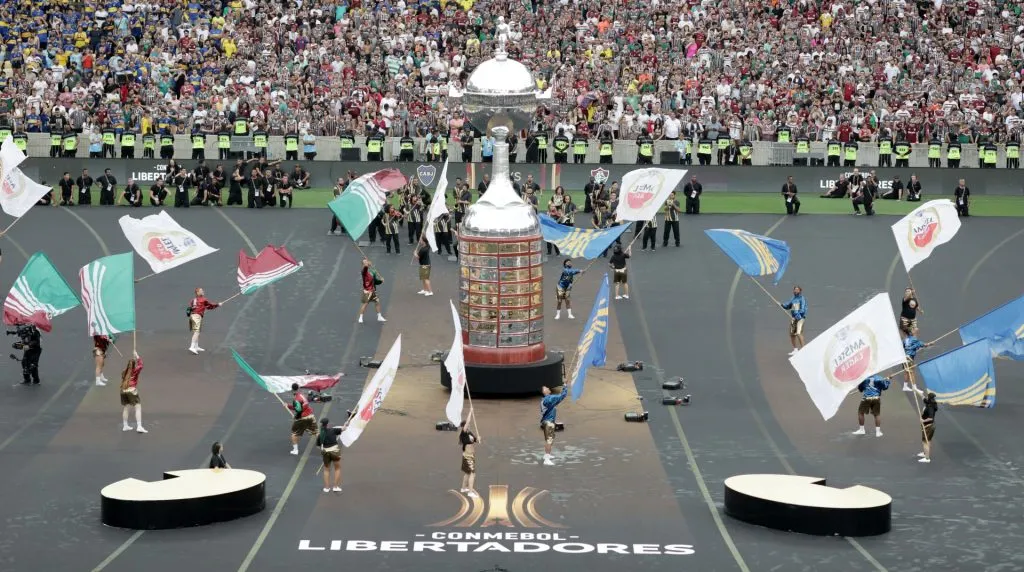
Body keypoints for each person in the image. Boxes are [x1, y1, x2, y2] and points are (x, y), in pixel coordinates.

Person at [540, 384, 568, 466]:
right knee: (549, 440)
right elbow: (562, 396)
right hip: (549, 422)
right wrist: (565, 387)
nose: (548, 388)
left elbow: (558, 399)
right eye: (545, 388)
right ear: (543, 392)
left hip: (547, 422)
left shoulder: (545, 400)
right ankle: (546, 459)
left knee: (550, 439)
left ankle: (547, 455)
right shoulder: (549, 399)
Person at [120, 352, 147, 433]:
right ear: (134, 365)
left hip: (123, 391)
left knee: (126, 408)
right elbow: (141, 365)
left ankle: (125, 426)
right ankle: (139, 426)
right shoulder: (135, 371)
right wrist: (137, 356)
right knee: (138, 407)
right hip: (131, 390)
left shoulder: (124, 372)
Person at [187, 288, 219, 354]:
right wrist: (218, 305)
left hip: (192, 316)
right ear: (198, 292)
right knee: (197, 332)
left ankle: (196, 346)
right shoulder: (203, 299)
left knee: (197, 331)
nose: (203, 291)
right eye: (201, 291)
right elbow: (210, 306)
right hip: (197, 316)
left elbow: (191, 307)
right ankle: (192, 347)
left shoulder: (193, 300)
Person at [316, 417, 345, 492]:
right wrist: (345, 425)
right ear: (328, 424)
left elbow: (318, 446)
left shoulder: (320, 435)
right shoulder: (333, 430)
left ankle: (326, 488)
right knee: (337, 468)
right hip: (335, 452)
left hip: (326, 453)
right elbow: (344, 429)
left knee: (326, 470)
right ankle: (335, 487)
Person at [290, 382, 317, 455]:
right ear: (298, 388)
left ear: (292, 389)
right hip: (310, 416)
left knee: (294, 434)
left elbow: (298, 410)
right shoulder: (302, 396)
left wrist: (296, 416)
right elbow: (303, 407)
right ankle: (325, 446)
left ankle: (295, 450)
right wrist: (289, 406)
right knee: (316, 433)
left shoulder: (296, 399)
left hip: (302, 418)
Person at [357, 258, 386, 324]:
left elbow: (375, 281)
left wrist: (381, 281)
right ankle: (360, 317)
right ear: (363, 264)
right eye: (364, 262)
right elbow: (366, 268)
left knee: (377, 302)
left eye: (366, 262)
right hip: (367, 291)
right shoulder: (363, 271)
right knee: (365, 304)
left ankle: (379, 316)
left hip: (373, 290)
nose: (366, 263)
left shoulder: (373, 271)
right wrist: (367, 264)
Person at [781, 286, 806, 355]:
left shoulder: (802, 298)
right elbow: (788, 306)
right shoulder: (793, 298)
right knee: (792, 334)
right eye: (795, 290)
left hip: (800, 318)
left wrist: (799, 314)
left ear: (800, 291)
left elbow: (803, 308)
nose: (795, 291)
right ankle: (795, 350)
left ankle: (804, 349)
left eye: (797, 290)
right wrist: (782, 305)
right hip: (794, 318)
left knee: (798, 333)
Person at [916, 389, 938, 463]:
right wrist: (915, 390)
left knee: (926, 442)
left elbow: (930, 418)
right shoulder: (930, 403)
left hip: (928, 426)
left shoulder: (930, 407)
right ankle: (925, 453)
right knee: (927, 441)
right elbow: (922, 397)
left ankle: (927, 458)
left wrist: (923, 420)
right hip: (928, 426)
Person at [459, 417, 479, 497]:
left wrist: (478, 439)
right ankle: (470, 492)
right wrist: (470, 412)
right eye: (467, 425)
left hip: (471, 456)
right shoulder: (463, 433)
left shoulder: (469, 433)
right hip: (468, 457)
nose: (469, 426)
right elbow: (467, 422)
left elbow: (475, 440)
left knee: (467, 472)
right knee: (472, 474)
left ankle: (463, 488)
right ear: (464, 426)